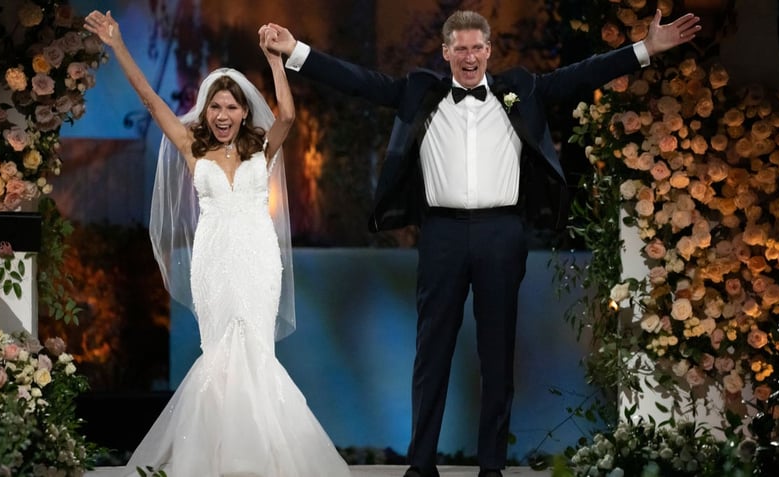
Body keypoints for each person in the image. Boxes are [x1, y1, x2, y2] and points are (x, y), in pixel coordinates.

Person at [263, 9, 701, 477]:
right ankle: (421, 464)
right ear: (446, 52)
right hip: (442, 235)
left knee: (497, 353)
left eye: (477, 48)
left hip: (501, 234)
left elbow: (582, 75)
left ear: (489, 51)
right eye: (461, 49)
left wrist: (647, 49)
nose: (469, 57)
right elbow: (360, 81)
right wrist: (295, 52)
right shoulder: (420, 92)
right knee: (432, 352)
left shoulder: (521, 90)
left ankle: (491, 468)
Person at [83, 10, 351, 477]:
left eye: (231, 107)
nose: (223, 115)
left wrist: (273, 60)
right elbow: (149, 99)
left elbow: (287, 114)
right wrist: (117, 44)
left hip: (258, 257)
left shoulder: (262, 148)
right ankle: (216, 458)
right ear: (205, 111)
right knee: (221, 353)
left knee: (255, 350)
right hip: (212, 258)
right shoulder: (192, 147)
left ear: (244, 111)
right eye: (215, 107)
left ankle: (263, 459)